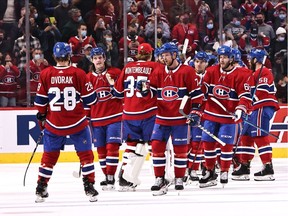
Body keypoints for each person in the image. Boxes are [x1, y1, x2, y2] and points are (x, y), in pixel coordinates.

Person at [33, 42, 98, 203]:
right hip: (77, 122)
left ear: (54, 56)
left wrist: (42, 115)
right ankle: (89, 187)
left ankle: (41, 188)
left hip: (54, 123)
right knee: (85, 155)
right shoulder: (79, 73)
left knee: (49, 157)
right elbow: (92, 100)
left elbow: (40, 103)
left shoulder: (46, 73)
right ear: (69, 56)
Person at [138, 42, 203, 194]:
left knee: (180, 150)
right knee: (156, 147)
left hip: (180, 119)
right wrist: (144, 90)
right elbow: (151, 92)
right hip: (162, 117)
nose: (163, 58)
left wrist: (195, 112)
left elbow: (197, 96)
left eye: (166, 55)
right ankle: (159, 178)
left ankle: (179, 177)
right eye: (162, 55)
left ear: (174, 55)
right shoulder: (158, 71)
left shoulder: (187, 72)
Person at [198, 45, 252, 188]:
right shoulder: (211, 71)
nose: (222, 60)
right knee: (207, 143)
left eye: (225, 57)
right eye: (220, 57)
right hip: (210, 115)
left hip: (228, 118)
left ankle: (224, 170)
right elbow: (202, 91)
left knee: (226, 145)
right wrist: (197, 107)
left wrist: (241, 108)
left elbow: (245, 96)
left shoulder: (241, 75)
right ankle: (209, 171)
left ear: (232, 59)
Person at [112, 43, 159, 191]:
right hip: (148, 112)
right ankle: (160, 177)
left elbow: (117, 93)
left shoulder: (128, 67)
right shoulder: (154, 66)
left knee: (131, 146)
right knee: (154, 145)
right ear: (150, 54)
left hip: (129, 114)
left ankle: (123, 178)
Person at [231, 48, 279, 181]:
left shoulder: (264, 72)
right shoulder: (253, 74)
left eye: (250, 58)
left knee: (259, 135)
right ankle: (244, 166)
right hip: (254, 108)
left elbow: (261, 93)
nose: (248, 60)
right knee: (246, 136)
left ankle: (268, 167)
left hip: (262, 107)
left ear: (255, 59)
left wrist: (248, 104)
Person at [86, 47, 122, 190]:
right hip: (96, 119)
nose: (98, 60)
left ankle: (111, 177)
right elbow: (86, 100)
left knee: (111, 147)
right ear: (92, 60)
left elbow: (122, 94)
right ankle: (106, 175)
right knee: (101, 149)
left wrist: (113, 85)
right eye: (95, 58)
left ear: (104, 58)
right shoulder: (87, 78)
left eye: (100, 57)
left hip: (114, 117)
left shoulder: (116, 73)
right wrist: (86, 117)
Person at [186, 51, 209, 182]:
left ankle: (194, 169)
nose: (199, 64)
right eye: (197, 61)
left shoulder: (210, 75)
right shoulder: (189, 74)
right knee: (184, 143)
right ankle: (183, 168)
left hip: (204, 113)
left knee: (198, 143)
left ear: (206, 63)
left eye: (202, 62)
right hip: (188, 112)